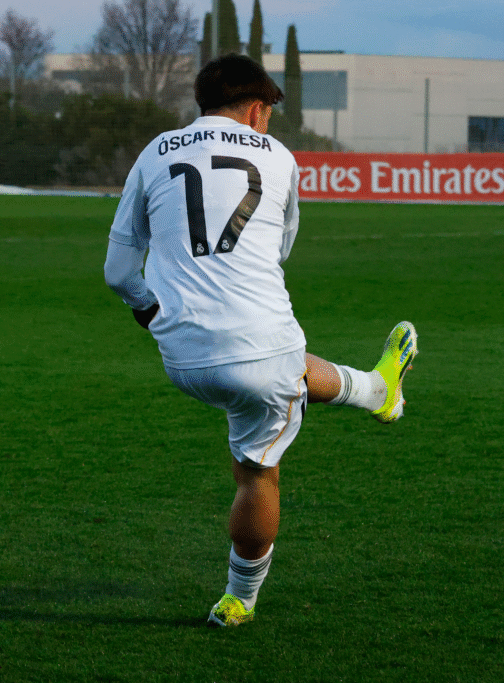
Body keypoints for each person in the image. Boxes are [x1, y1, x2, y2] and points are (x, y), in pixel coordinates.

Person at [103, 54, 418, 627]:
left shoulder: (155, 152)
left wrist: (150, 312)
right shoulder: (280, 158)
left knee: (284, 368)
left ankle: (378, 390)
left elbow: (118, 271)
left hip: (182, 357)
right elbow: (276, 253)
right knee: (256, 471)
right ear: (254, 109)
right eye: (268, 112)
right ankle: (240, 599)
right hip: (262, 350)